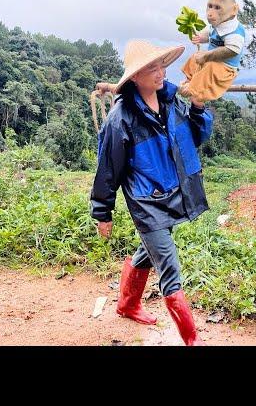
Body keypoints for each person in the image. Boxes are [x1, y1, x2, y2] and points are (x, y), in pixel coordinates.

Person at [90, 39, 213, 346]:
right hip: (146, 202)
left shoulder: (171, 104)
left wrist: (198, 106)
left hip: (173, 193)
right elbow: (108, 168)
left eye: (160, 65)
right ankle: (192, 340)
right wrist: (102, 212)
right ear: (134, 77)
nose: (159, 73)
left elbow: (197, 137)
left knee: (149, 250)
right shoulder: (121, 120)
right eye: (150, 68)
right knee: (169, 264)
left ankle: (128, 304)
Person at [179, 0, 246, 103]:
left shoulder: (235, 30)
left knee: (210, 67)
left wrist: (207, 56)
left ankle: (192, 88)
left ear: (233, 10)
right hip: (210, 60)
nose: (210, 13)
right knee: (195, 57)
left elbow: (233, 50)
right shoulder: (218, 24)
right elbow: (210, 34)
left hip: (225, 67)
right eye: (210, 6)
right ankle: (189, 80)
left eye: (217, 8)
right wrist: (200, 38)